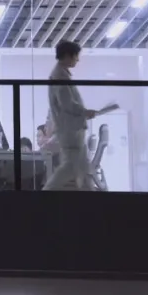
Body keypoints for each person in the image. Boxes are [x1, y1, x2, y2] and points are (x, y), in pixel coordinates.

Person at [42, 40, 97, 191]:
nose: (77, 60)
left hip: (72, 129)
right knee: (71, 166)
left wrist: (83, 113)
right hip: (69, 131)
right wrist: (84, 112)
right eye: (75, 56)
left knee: (82, 167)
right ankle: (46, 192)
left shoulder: (61, 74)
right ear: (67, 55)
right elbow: (67, 103)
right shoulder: (59, 76)